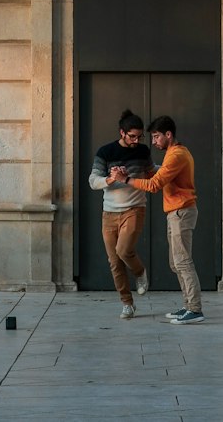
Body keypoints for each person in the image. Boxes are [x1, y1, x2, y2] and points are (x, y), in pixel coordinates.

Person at [115, 113, 202, 324]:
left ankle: (195, 309)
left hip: (181, 212)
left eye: (156, 136)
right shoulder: (174, 153)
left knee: (183, 262)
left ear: (168, 135)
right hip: (176, 212)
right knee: (176, 263)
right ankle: (188, 305)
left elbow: (154, 185)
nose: (153, 142)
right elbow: (159, 175)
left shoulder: (176, 155)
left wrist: (125, 179)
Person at [88, 109, 153, 319]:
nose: (136, 140)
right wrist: (111, 178)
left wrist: (172, 169)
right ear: (122, 133)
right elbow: (93, 181)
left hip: (134, 208)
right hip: (109, 213)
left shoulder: (143, 151)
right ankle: (127, 303)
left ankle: (140, 272)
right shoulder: (105, 152)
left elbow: (152, 172)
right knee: (114, 261)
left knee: (124, 250)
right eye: (132, 136)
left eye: (139, 136)